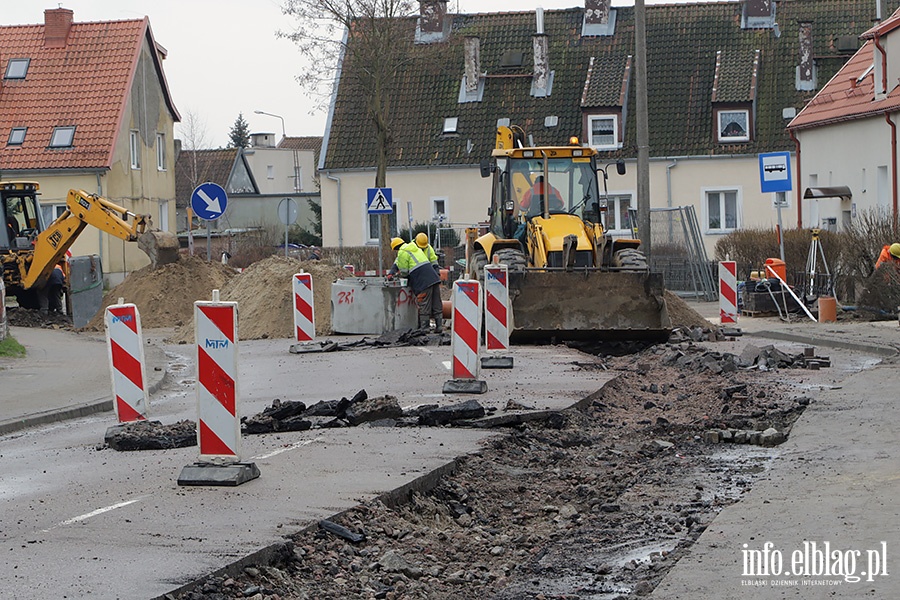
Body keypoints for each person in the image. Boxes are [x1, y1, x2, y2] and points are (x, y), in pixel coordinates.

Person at [389, 234, 443, 332]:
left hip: (422, 280)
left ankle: (425, 328)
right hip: (433, 277)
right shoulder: (414, 247)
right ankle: (439, 327)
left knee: (424, 303)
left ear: (396, 248)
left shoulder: (402, 252)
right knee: (436, 303)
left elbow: (404, 271)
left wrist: (400, 276)